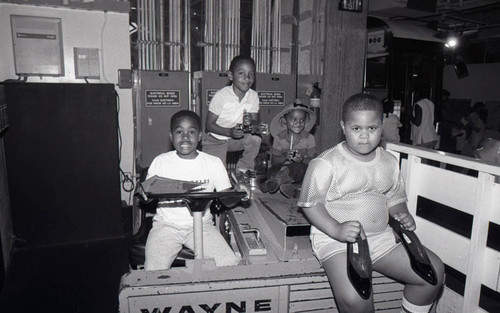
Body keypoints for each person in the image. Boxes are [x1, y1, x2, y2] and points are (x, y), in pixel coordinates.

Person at [297, 94, 444, 313]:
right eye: (356, 129)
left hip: (381, 237)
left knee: (434, 274)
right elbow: (310, 204)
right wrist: (336, 229)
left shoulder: (389, 161)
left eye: (372, 128)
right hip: (336, 240)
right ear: (343, 127)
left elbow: (395, 198)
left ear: (381, 127)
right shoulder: (325, 163)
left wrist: (401, 214)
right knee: (356, 299)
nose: (365, 136)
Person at [144, 110, 241, 270]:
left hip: (202, 225)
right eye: (179, 132)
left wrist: (238, 193)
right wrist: (144, 195)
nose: (185, 137)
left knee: (229, 263)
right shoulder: (160, 162)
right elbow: (147, 196)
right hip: (166, 226)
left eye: (191, 132)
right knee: (153, 271)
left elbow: (226, 199)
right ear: (171, 136)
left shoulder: (213, 163)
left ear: (200, 136)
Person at [202, 55, 261, 172]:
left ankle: (243, 169)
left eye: (251, 74)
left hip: (236, 139)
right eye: (241, 73)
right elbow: (209, 125)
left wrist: (251, 123)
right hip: (216, 139)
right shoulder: (221, 96)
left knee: (256, 139)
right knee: (218, 176)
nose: (247, 78)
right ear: (230, 75)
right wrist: (229, 132)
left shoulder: (253, 96)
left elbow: (254, 124)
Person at [259, 100, 316, 198]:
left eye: (302, 120)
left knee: (299, 167)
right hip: (282, 168)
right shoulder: (279, 138)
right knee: (271, 171)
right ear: (284, 121)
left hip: (299, 172)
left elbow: (313, 161)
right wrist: (284, 156)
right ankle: (289, 187)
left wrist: (302, 159)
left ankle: (276, 182)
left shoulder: (309, 138)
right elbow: (274, 161)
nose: (298, 123)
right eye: (293, 119)